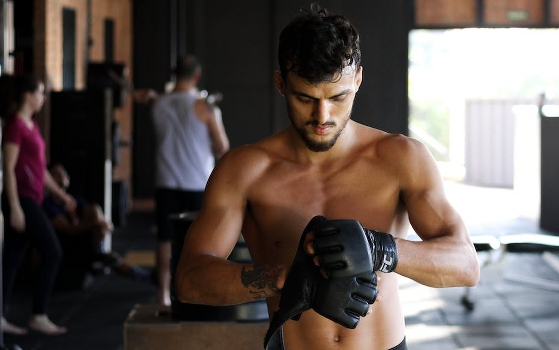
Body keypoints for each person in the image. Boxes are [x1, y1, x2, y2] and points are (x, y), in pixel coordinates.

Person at [175, 5, 479, 350]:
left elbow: (466, 264)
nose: (323, 116)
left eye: (338, 97)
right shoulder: (244, 171)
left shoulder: (402, 158)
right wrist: (286, 280)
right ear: (281, 84)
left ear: (358, 81)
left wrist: (379, 250)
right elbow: (189, 280)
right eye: (305, 98)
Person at [151, 54, 230, 306]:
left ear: (175, 74)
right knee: (200, 240)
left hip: (166, 181)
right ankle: (198, 292)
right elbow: (222, 147)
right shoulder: (205, 108)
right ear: (197, 76)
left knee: (165, 238)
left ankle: (163, 293)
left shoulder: (158, 104)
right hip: (198, 182)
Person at [0, 74, 73, 336]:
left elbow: (39, 172)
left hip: (33, 198)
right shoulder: (15, 127)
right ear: (28, 95)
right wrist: (15, 206)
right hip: (22, 201)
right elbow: (8, 168)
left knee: (11, 260)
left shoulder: (31, 126)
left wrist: (61, 195)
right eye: (40, 92)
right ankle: (38, 314)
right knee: (53, 252)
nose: (43, 97)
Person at [42, 163, 150, 283]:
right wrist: (97, 223)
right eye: (58, 174)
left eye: (64, 172)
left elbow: (97, 217)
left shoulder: (74, 200)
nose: (63, 175)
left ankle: (102, 252)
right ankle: (101, 255)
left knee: (94, 209)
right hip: (67, 246)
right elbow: (68, 229)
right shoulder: (49, 204)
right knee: (110, 258)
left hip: (88, 242)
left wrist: (102, 224)